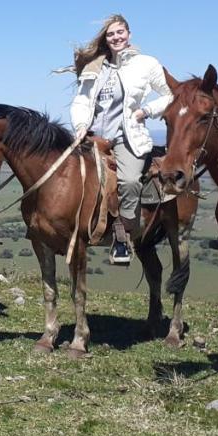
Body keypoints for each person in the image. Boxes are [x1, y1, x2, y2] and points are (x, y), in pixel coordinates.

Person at [68, 14, 173, 266]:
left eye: (120, 32)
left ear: (129, 34)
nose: (116, 37)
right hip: (94, 136)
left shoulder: (146, 64)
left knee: (128, 181)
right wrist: (81, 125)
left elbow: (169, 95)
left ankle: (123, 237)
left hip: (128, 137)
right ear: (105, 38)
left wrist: (146, 111)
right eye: (111, 34)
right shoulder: (95, 66)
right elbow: (82, 100)